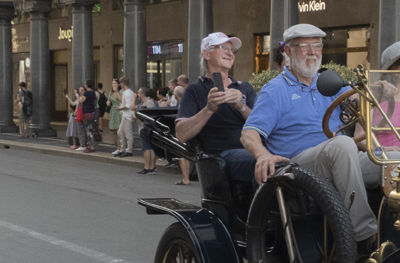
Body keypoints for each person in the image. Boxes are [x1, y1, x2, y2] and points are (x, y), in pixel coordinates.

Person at [242, 23, 383, 248]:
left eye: (317, 46)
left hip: (338, 158)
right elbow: (249, 134)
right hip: (297, 166)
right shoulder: (275, 90)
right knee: (343, 145)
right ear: (288, 52)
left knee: (394, 160)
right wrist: (262, 155)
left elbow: (359, 99)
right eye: (304, 46)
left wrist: (367, 99)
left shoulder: (328, 82)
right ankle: (364, 238)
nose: (312, 52)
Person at [175, 32, 257, 186]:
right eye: (223, 47)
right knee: (263, 161)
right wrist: (209, 109)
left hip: (253, 146)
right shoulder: (194, 89)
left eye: (232, 50)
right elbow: (181, 135)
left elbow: (262, 125)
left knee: (287, 157)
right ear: (206, 54)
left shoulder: (244, 87)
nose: (229, 53)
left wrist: (242, 107)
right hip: (221, 156)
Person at [137, 87, 159, 174]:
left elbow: (144, 116)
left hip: (146, 128)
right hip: (150, 128)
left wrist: (135, 116)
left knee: (146, 148)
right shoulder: (149, 102)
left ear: (143, 94)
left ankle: (147, 167)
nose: (137, 94)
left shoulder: (147, 103)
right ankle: (152, 167)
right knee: (151, 148)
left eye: (139, 93)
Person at [115, 77, 136, 157]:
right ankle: (123, 149)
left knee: (127, 133)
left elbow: (128, 105)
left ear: (123, 83)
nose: (120, 84)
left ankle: (129, 150)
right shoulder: (127, 92)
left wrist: (120, 108)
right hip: (125, 114)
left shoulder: (127, 93)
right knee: (120, 132)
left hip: (127, 115)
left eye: (120, 83)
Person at [107, 79, 123, 149]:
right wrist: (107, 102)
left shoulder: (121, 91)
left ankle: (122, 147)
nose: (113, 85)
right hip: (113, 111)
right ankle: (118, 147)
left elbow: (121, 100)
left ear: (118, 84)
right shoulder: (111, 92)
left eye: (115, 83)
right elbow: (109, 100)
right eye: (112, 83)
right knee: (115, 131)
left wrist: (117, 92)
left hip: (119, 110)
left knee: (119, 130)